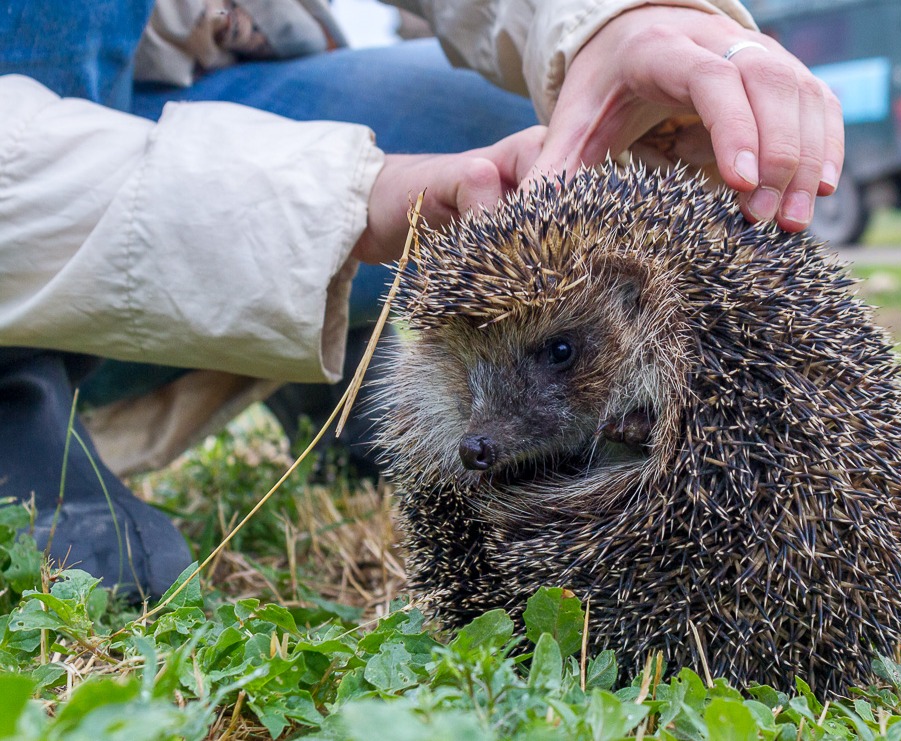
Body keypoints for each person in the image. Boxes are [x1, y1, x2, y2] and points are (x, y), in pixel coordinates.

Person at [0, 0, 844, 601]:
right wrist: (357, 199)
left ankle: (323, 369)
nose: (486, 430)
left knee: (546, 133)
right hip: (27, 184)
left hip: (210, 68)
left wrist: (619, 20)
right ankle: (19, 388)